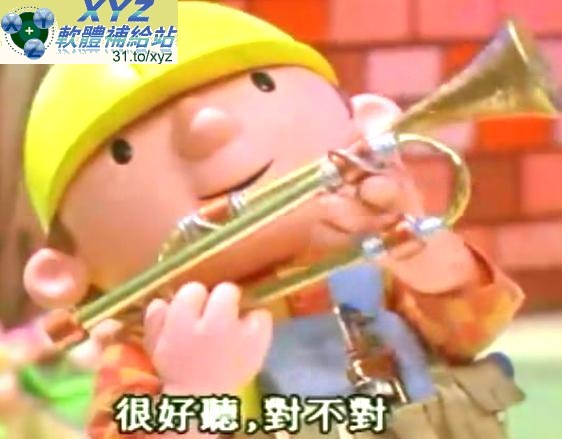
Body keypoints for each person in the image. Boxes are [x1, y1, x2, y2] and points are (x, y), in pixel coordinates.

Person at [21, 2, 525, 438]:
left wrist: (437, 265)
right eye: (123, 152)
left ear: (368, 126)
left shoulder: (369, 262)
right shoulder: (153, 341)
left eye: (261, 85)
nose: (206, 128)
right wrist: (191, 393)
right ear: (61, 273)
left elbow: (472, 330)